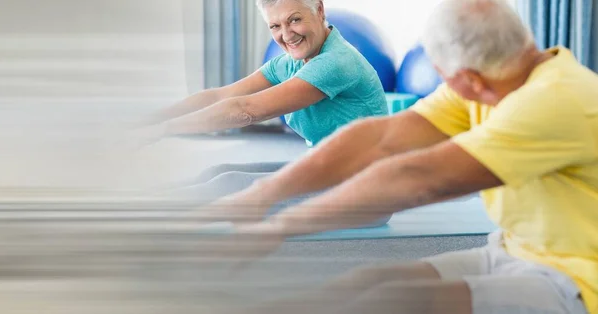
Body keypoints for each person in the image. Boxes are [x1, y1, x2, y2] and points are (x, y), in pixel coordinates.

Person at [194, 0, 598, 313]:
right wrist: (263, 196)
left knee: (400, 300)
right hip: (514, 248)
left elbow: (419, 177)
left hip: (579, 279)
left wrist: (278, 225)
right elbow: (380, 138)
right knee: (366, 282)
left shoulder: (554, 102)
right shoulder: (499, 72)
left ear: (468, 78)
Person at [143, 0, 388, 189]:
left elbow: (245, 110)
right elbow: (220, 96)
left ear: (320, 10)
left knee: (229, 184)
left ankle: (146, 216)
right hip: (325, 168)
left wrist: (164, 130)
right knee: (219, 171)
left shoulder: (335, 62)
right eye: (275, 26)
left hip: (363, 188)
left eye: (294, 20)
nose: (287, 35)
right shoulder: (290, 63)